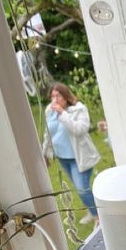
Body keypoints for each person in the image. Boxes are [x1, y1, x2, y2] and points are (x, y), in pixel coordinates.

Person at [43, 82, 101, 225]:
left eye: (58, 95)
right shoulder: (49, 111)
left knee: (82, 189)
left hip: (79, 157)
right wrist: (45, 153)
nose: (55, 99)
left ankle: (98, 216)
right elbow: (47, 133)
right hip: (63, 158)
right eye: (52, 96)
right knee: (79, 187)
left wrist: (62, 114)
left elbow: (79, 130)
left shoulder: (78, 110)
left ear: (66, 96)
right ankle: (92, 211)